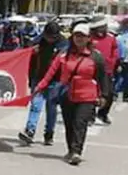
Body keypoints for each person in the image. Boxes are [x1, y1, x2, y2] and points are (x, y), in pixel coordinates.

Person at [34, 23, 109, 165]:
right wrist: (40, 86)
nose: (79, 39)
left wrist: (104, 95)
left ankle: (76, 151)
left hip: (87, 96)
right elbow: (51, 72)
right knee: (69, 124)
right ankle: (71, 149)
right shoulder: (64, 54)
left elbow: (103, 77)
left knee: (80, 123)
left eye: (82, 36)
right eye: (76, 35)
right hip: (66, 94)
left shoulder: (96, 57)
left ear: (88, 38)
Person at [19, 21, 64, 146]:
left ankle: (49, 134)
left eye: (52, 37)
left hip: (55, 81)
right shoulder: (39, 41)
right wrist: (31, 50)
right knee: (35, 105)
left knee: (51, 108)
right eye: (47, 36)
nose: (49, 39)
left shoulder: (63, 44)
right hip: (38, 78)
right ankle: (30, 130)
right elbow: (28, 54)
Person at [90, 17, 118, 125]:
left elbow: (115, 51)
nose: (101, 30)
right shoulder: (90, 38)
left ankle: (102, 113)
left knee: (109, 93)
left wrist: (112, 62)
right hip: (92, 70)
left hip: (107, 70)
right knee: (92, 94)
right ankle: (90, 115)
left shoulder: (111, 38)